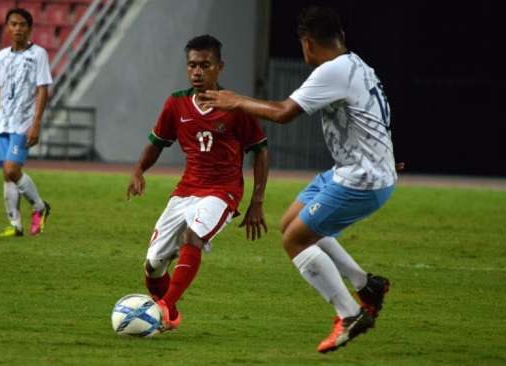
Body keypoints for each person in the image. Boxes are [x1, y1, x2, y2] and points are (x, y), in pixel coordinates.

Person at [199, 6, 396, 353]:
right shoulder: (358, 65)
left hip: (362, 178)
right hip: (351, 169)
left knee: (295, 240)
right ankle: (367, 285)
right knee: (290, 223)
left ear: (307, 43)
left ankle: (349, 314)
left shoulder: (331, 71)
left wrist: (237, 101)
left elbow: (283, 113)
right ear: (341, 37)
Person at [127, 34, 269, 332]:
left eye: (205, 65)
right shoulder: (176, 103)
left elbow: (260, 149)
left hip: (223, 191)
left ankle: (163, 308)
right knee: (153, 265)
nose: (197, 72)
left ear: (219, 67)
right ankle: (171, 312)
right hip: (185, 191)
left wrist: (256, 201)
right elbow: (158, 142)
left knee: (194, 237)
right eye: (192, 65)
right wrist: (139, 169)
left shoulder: (235, 106)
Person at [0, 8, 52, 237]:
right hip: (4, 122)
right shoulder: (2, 55)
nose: (17, 28)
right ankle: (15, 225)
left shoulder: (38, 54)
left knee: (12, 169)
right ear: (7, 27)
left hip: (23, 122)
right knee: (7, 174)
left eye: (22, 24)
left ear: (29, 28)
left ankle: (40, 207)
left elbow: (43, 90)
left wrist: (36, 124)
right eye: (13, 24)